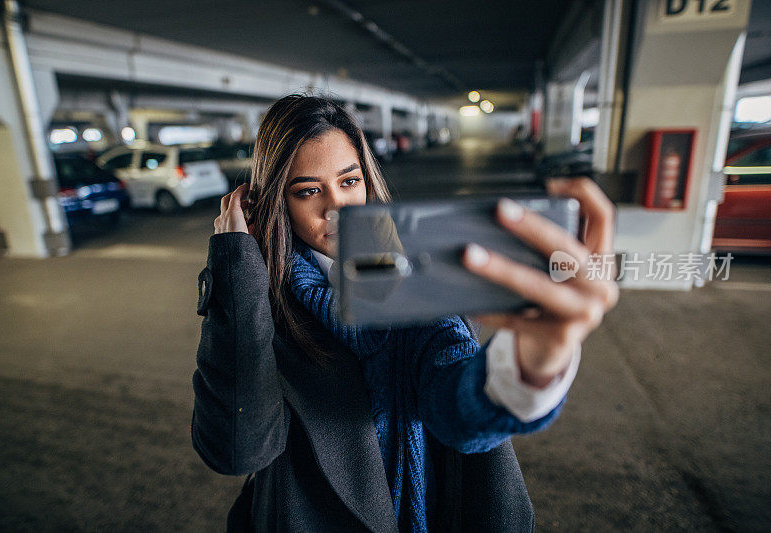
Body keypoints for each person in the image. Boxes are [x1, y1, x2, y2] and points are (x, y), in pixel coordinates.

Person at [191, 94, 619, 532]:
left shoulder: (414, 279)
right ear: (276, 201)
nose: (337, 207)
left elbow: (455, 406)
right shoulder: (257, 302)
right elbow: (236, 451)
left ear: (368, 182)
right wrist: (235, 264)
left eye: (349, 181)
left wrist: (533, 363)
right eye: (309, 191)